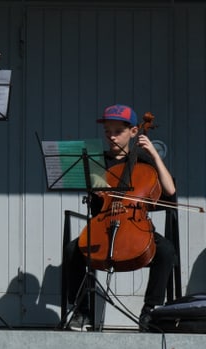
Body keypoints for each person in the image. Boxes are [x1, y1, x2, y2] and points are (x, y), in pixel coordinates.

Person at [63, 104, 176, 332]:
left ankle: (150, 311)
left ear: (134, 131)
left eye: (117, 131)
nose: (111, 137)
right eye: (108, 132)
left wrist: (153, 152)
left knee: (166, 251)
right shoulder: (97, 161)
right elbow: (95, 202)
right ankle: (81, 312)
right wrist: (94, 187)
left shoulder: (144, 160)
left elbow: (170, 191)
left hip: (136, 225)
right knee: (72, 250)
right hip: (103, 224)